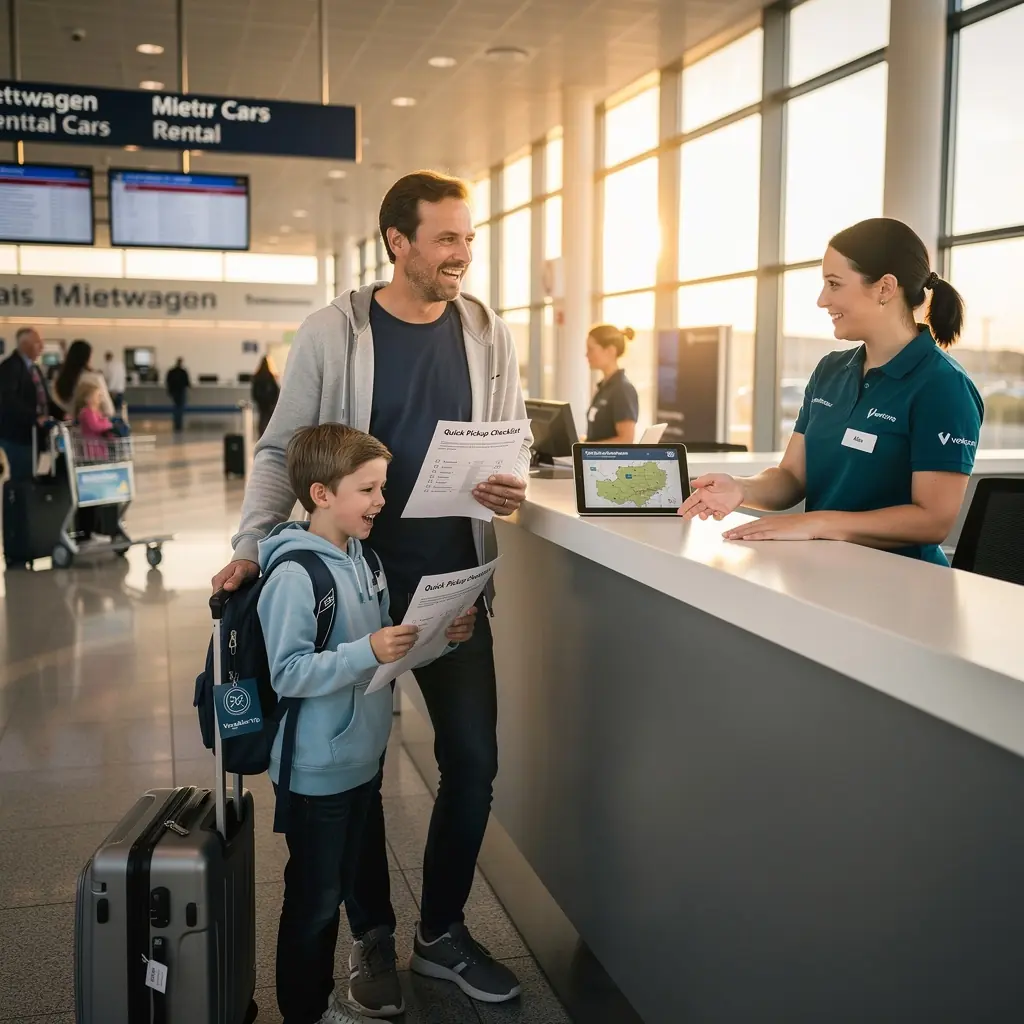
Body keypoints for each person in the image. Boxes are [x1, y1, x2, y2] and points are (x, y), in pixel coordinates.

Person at [212, 169, 531, 1015]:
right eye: (447, 238)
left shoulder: (489, 330)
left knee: (473, 762)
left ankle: (441, 935)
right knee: (349, 778)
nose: (464, 253)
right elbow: (283, 450)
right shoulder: (335, 330)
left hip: (453, 586)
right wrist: (253, 547)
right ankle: (373, 937)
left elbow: (517, 434)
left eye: (470, 236)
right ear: (399, 242)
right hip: (353, 592)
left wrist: (511, 481)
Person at [262, 422, 477, 1024]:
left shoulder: (366, 560)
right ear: (321, 493)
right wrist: (368, 652)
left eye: (382, 488)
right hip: (315, 769)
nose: (381, 501)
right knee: (315, 903)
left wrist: (442, 641)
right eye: (367, 489)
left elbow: (390, 651)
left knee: (336, 886)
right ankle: (305, 1011)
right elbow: (290, 674)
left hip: (359, 757)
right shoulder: (293, 576)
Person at [679, 217, 983, 566]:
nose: (823, 300)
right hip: (824, 573)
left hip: (903, 586)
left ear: (885, 287)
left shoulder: (943, 386)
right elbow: (791, 478)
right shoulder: (830, 370)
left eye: (834, 284)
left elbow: (932, 521)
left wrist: (817, 523)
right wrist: (741, 488)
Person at [0, 327, 63, 481]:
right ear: (24, 344)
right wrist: (34, 417)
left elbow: (45, 399)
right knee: (22, 478)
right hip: (18, 436)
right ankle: (18, 505)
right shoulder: (10, 367)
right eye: (37, 343)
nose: (41, 347)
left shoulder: (34, 368)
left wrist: (62, 414)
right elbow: (8, 400)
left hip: (33, 435)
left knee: (30, 476)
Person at [584, 324, 639, 442]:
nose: (587, 354)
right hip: (593, 459)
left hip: (608, 460)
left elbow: (626, 441)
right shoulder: (603, 388)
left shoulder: (623, 389)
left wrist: (586, 449)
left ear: (610, 351)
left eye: (591, 349)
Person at [53, 340, 115, 420]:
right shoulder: (95, 378)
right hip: (90, 428)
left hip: (66, 428)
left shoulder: (60, 379)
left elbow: (56, 406)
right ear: (88, 358)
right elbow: (108, 410)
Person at [74, 380, 116, 462]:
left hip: (98, 444)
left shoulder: (96, 412)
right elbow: (95, 426)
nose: (100, 398)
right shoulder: (87, 412)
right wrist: (108, 425)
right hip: (91, 446)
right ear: (87, 399)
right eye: (97, 395)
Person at [251, 355, 282, 438]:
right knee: (269, 420)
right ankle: (269, 437)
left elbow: (254, 392)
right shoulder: (271, 376)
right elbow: (276, 391)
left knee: (262, 419)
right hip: (270, 403)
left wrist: (258, 400)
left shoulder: (257, 376)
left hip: (261, 403)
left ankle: (261, 436)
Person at [166, 357, 191, 433]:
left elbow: (168, 381)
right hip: (181, 392)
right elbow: (187, 382)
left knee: (176, 408)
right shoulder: (183, 372)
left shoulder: (171, 371)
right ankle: (179, 425)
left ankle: (176, 424)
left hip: (174, 392)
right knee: (180, 408)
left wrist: (169, 391)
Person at [103, 351, 127, 415]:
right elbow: (124, 376)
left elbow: (107, 378)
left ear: (106, 358)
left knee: (111, 410)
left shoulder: (108, 366)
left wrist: (109, 389)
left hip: (112, 390)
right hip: (120, 390)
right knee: (119, 410)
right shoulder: (120, 364)